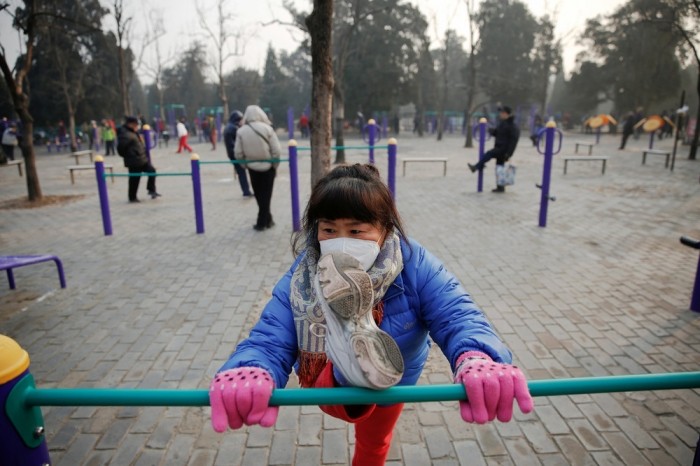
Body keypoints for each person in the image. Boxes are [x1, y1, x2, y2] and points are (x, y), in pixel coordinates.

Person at [209, 164, 534, 465]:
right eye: (329, 230)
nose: (341, 242)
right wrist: (252, 367)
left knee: (374, 441)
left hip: (394, 378)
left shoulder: (414, 264)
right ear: (315, 229)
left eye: (356, 231)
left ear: (384, 229)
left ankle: (356, 365)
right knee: (343, 393)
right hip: (324, 372)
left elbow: (457, 314)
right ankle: (347, 363)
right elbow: (270, 336)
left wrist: (478, 356)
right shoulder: (304, 275)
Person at [234, 105, 281, 231]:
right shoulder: (268, 129)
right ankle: (264, 221)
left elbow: (238, 152)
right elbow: (276, 150)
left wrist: (245, 165)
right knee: (267, 195)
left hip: (252, 168)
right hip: (268, 167)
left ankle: (264, 221)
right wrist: (274, 165)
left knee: (259, 195)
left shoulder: (241, 131)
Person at [468, 105, 520, 193]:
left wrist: (509, 153)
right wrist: (492, 131)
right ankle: (500, 187)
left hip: (503, 149)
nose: (500, 114)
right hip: (499, 146)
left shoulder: (512, 126)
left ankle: (477, 166)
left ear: (507, 114)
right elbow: (498, 133)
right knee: (499, 167)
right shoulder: (503, 123)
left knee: (489, 153)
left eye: (502, 113)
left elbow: (513, 141)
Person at [117, 116, 161, 203]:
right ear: (131, 124)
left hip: (142, 159)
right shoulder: (125, 134)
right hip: (133, 160)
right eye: (136, 124)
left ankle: (151, 190)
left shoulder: (132, 132)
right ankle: (132, 197)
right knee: (134, 179)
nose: (137, 126)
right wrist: (130, 155)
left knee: (151, 170)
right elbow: (120, 148)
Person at [223, 110, 253, 198]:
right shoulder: (234, 128)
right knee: (242, 173)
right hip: (236, 154)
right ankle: (246, 191)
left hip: (231, 154)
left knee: (241, 173)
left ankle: (246, 190)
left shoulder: (228, 127)